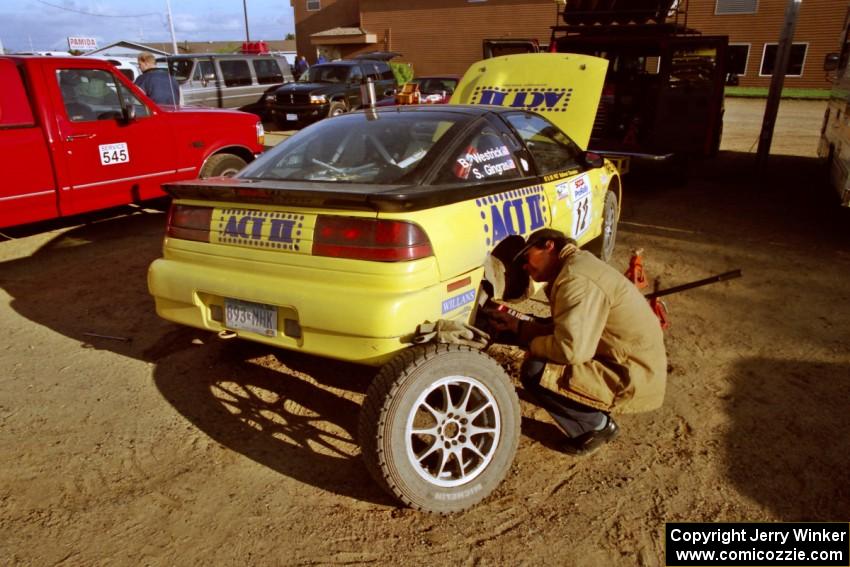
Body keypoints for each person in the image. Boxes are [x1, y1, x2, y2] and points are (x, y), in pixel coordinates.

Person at [487, 228, 667, 455]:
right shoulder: (576, 266)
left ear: (549, 245)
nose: (524, 266)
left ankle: (596, 426)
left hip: (631, 375)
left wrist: (531, 345)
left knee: (536, 369)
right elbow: (567, 327)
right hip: (626, 361)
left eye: (527, 256)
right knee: (542, 355)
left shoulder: (575, 278)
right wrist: (520, 328)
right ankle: (589, 409)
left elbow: (570, 350)